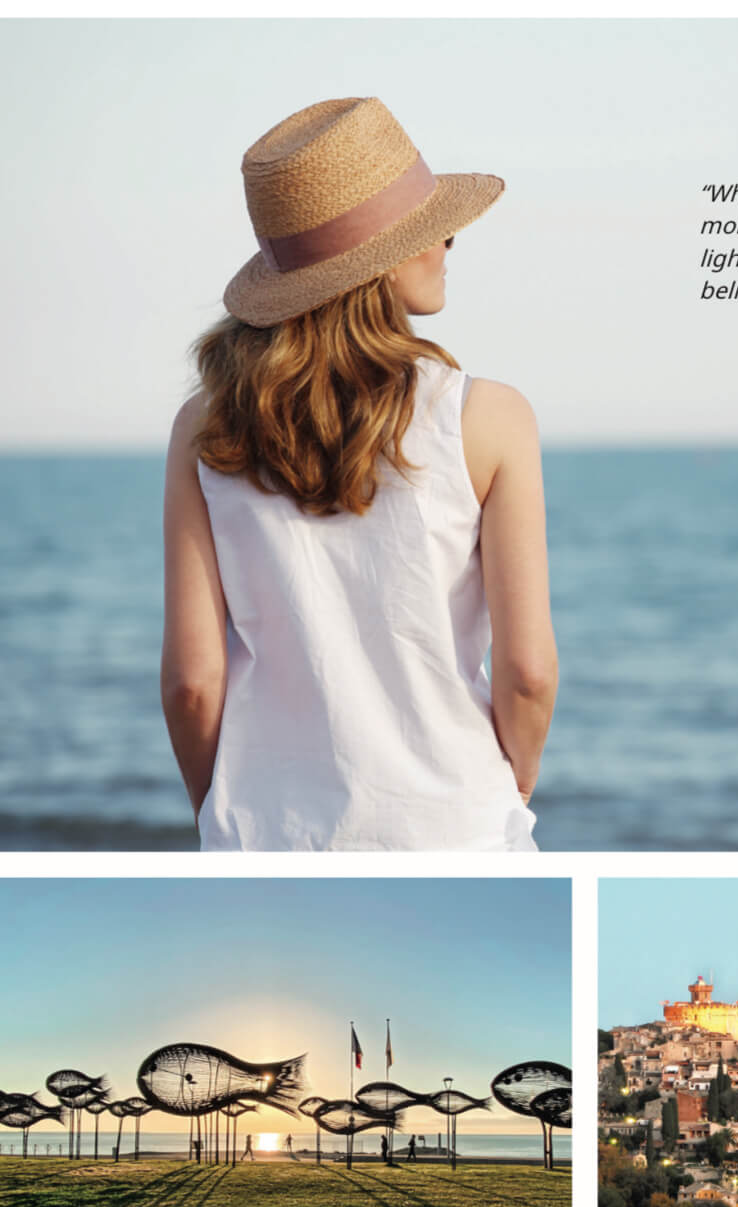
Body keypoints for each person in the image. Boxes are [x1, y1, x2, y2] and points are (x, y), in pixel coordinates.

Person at [162, 97, 557, 852]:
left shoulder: (205, 428)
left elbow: (191, 681)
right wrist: (510, 784)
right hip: (457, 829)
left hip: (263, 837)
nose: (449, 237)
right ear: (380, 257)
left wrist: (216, 809)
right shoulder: (490, 419)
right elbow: (529, 671)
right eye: (427, 225)